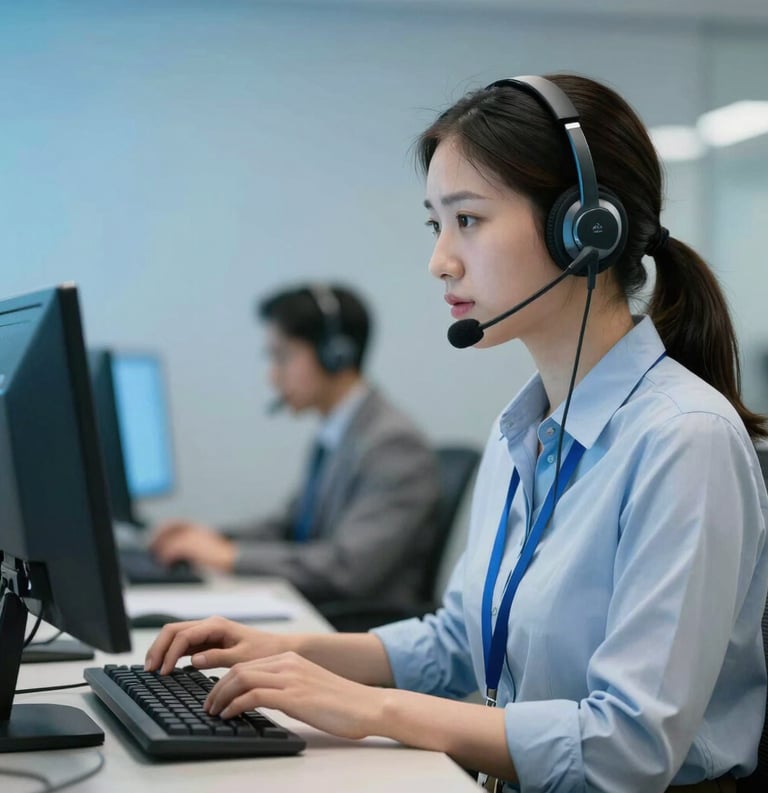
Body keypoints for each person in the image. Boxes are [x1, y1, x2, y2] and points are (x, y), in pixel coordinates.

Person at [144, 75, 768, 792]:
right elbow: (457, 642)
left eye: (467, 219)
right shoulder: (523, 430)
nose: (440, 259)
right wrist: (284, 650)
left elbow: (626, 745)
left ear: (586, 229)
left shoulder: (685, 442)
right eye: (434, 224)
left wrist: (373, 708)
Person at [150, 283, 441, 607]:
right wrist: (215, 537)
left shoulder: (393, 445)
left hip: (358, 627)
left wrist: (228, 555)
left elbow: (348, 568)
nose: (272, 377)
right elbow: (292, 526)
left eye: (282, 356)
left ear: (335, 354)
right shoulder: (339, 432)